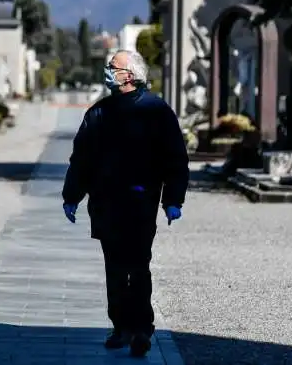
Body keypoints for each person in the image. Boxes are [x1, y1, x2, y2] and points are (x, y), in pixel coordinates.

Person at [61, 49, 189, 358]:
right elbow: (82, 158)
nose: (107, 70)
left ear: (128, 75)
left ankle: (142, 329)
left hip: (141, 201)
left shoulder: (157, 111)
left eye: (112, 66)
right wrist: (72, 196)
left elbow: (175, 158)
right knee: (115, 268)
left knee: (138, 265)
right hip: (106, 203)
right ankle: (121, 327)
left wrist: (173, 199)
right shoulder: (99, 113)